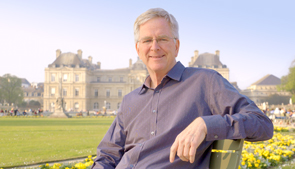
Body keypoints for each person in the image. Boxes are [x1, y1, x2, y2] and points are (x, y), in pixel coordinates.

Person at [92, 8, 273, 169]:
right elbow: (107, 155)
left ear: (176, 46)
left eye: (162, 39)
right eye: (147, 40)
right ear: (138, 49)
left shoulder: (205, 82)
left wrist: (206, 124)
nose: (154, 47)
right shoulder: (130, 100)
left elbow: (262, 124)